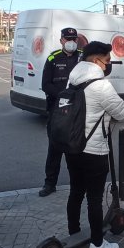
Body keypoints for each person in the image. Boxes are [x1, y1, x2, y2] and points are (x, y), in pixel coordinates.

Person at [66, 41, 124, 248]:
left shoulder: (73, 80)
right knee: (94, 199)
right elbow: (123, 112)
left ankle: (74, 232)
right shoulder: (101, 85)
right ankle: (97, 245)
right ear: (96, 61)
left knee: (76, 192)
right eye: (106, 61)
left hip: (72, 147)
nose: (108, 65)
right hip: (94, 151)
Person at [39, 27, 82, 197]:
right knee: (54, 149)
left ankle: (77, 184)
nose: (71, 42)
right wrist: (63, 96)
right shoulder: (53, 58)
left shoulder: (83, 58)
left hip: (76, 111)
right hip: (57, 110)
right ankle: (49, 184)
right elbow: (45, 85)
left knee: (76, 149)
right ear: (61, 40)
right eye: (67, 39)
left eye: (74, 38)